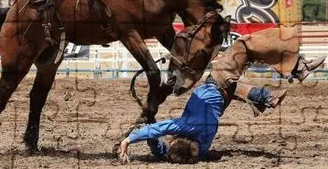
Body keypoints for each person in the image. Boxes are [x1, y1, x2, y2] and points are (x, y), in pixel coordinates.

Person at [119, 27, 326, 164]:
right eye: (171, 141)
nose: (169, 140)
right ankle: (298, 67)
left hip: (221, 99)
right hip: (216, 84)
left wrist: (155, 142)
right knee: (243, 45)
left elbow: (159, 149)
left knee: (235, 85)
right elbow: (157, 130)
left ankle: (266, 96)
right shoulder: (187, 126)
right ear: (177, 140)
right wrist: (129, 140)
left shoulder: (200, 150)